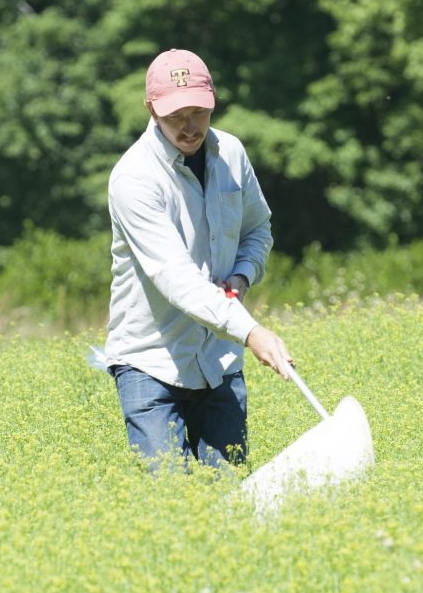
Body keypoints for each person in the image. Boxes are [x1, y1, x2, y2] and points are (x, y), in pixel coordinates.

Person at [104, 48, 293, 471]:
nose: (189, 127)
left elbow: (257, 229)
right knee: (170, 498)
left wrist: (242, 277)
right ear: (152, 110)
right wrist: (252, 333)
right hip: (150, 361)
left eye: (198, 112)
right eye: (175, 116)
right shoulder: (133, 179)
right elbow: (177, 280)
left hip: (218, 361)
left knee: (227, 496)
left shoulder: (232, 154)